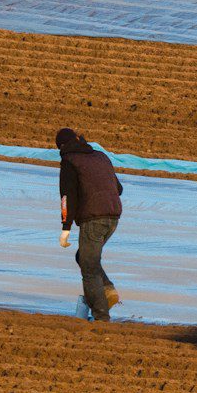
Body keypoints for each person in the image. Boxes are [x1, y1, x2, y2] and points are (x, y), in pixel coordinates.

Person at [57, 128, 124, 321]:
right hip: (113, 217)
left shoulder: (69, 161)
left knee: (88, 268)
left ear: (62, 147)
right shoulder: (101, 156)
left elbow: (67, 198)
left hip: (94, 219)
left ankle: (101, 316)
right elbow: (118, 188)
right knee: (86, 257)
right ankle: (108, 289)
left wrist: (65, 228)